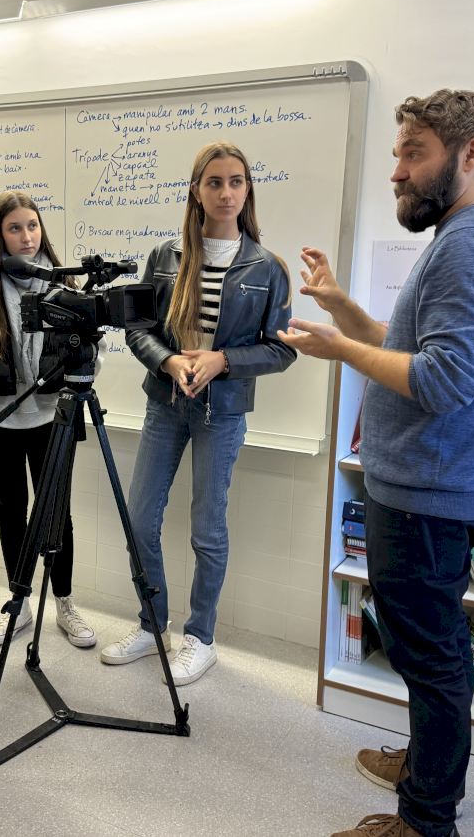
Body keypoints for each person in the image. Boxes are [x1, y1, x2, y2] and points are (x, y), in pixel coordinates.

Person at [280, 90, 474, 837]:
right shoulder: (470, 233)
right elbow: (414, 342)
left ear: (470, 154)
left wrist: (342, 351)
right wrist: (344, 311)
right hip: (428, 485)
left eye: (413, 154)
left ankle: (425, 820)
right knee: (427, 646)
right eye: (397, 154)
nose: (395, 172)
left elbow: (445, 380)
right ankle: (428, 767)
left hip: (429, 490)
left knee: (430, 655)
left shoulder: (470, 243)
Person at [100, 141, 296, 685]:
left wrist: (222, 360)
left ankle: (200, 637)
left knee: (207, 529)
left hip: (222, 413)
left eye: (236, 181)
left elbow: (281, 350)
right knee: (141, 517)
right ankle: (151, 625)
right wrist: (168, 362)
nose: (226, 192)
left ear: (247, 189)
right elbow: (138, 329)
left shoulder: (267, 267)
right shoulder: (165, 256)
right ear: (196, 190)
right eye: (214, 182)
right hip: (166, 406)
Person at [0, 190, 97, 649]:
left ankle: (64, 602)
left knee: (57, 511)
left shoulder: (64, 286)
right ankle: (17, 603)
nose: (26, 236)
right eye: (15, 227)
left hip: (53, 417)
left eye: (32, 225)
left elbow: (90, 351)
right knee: (11, 510)